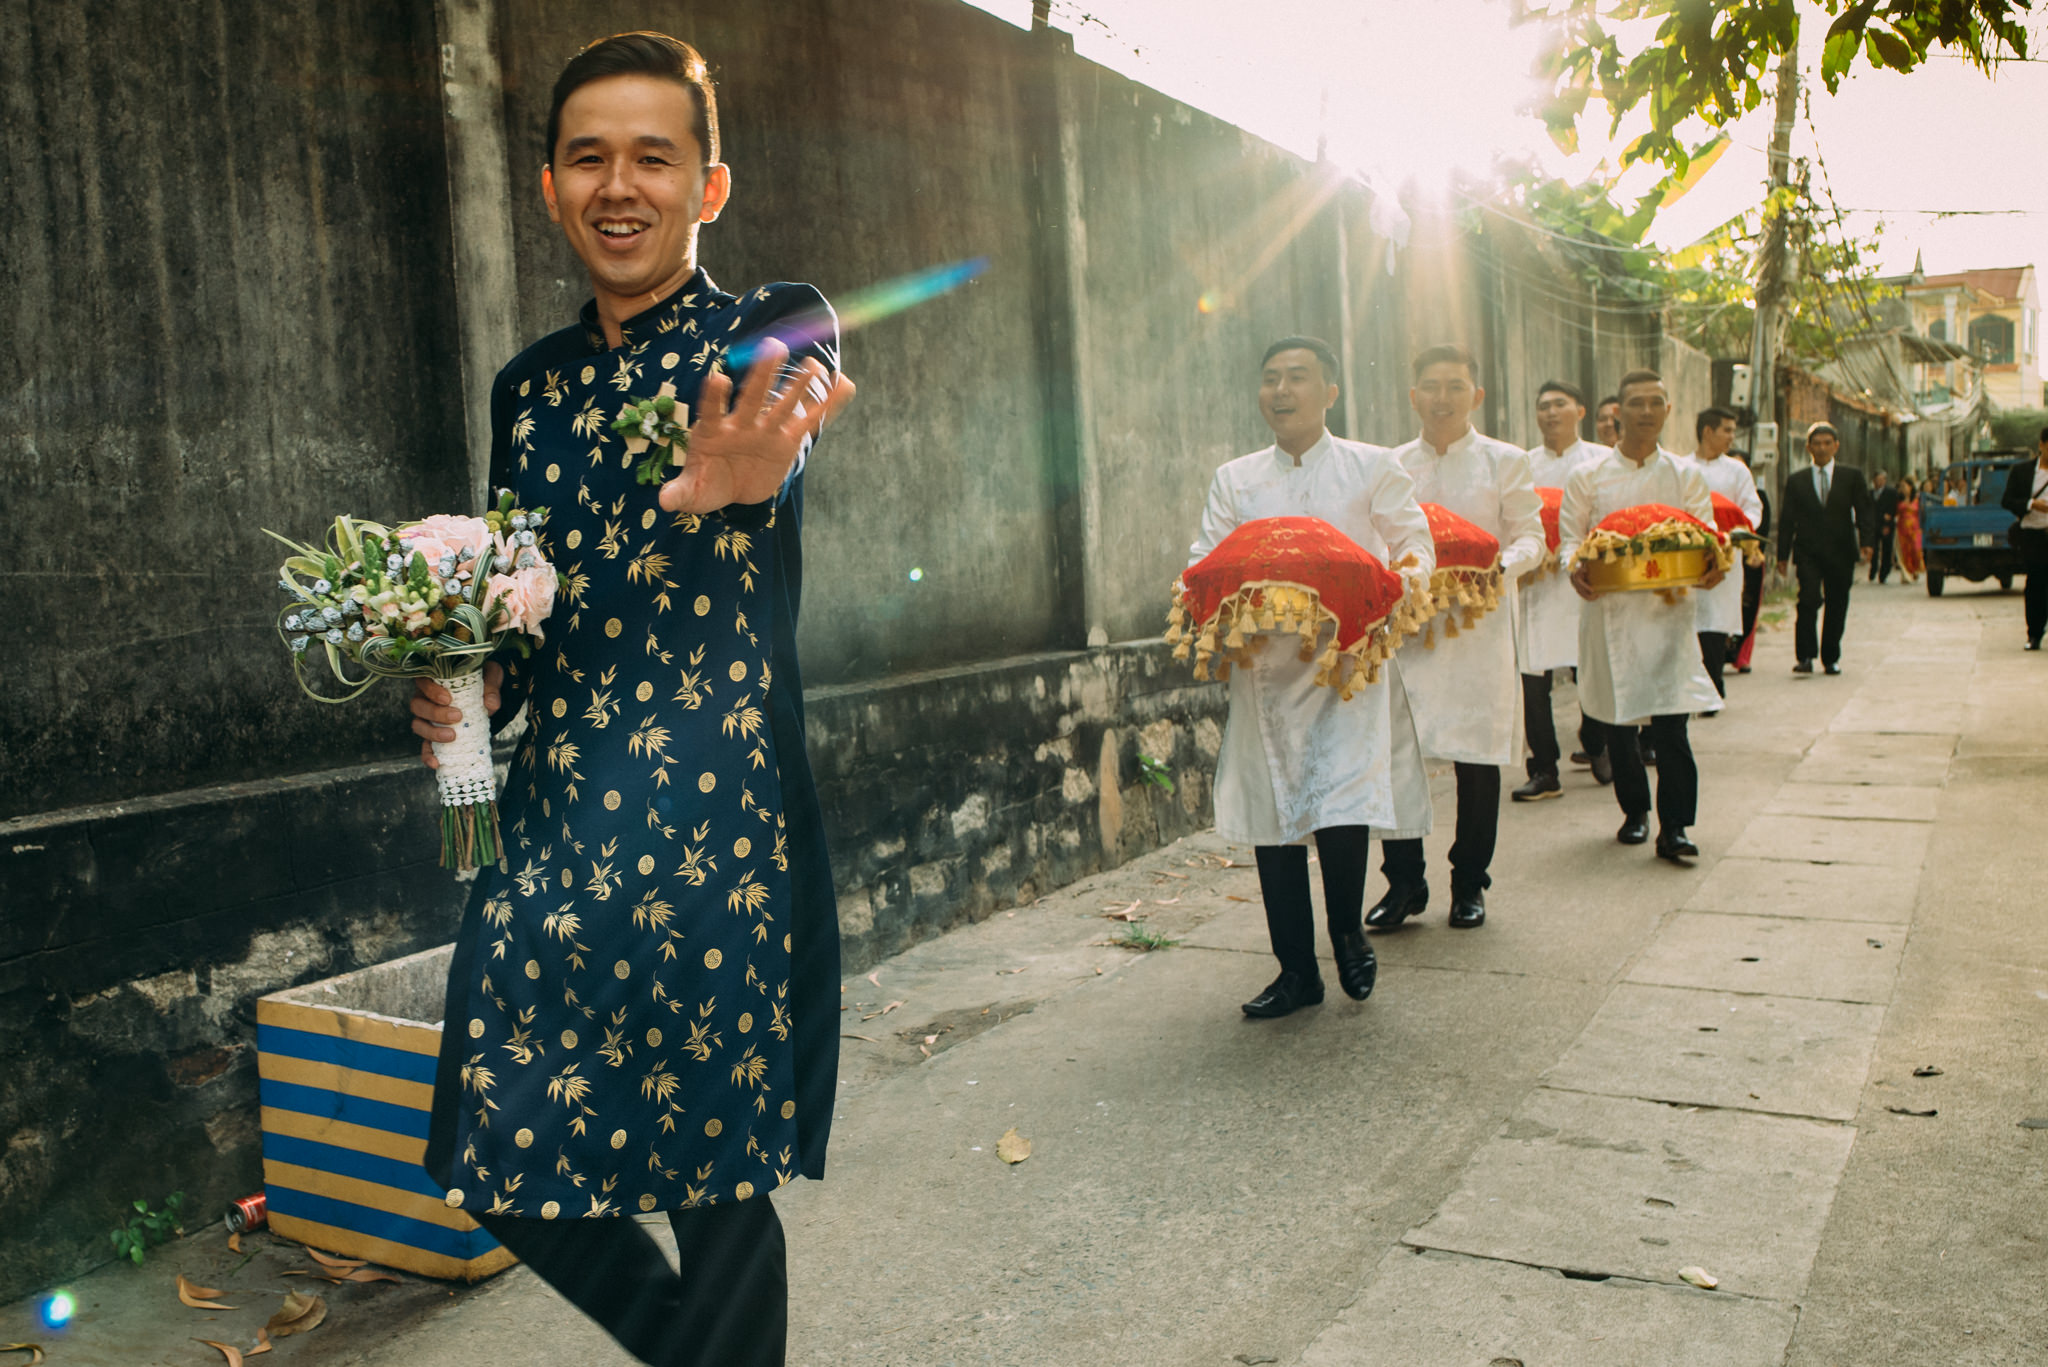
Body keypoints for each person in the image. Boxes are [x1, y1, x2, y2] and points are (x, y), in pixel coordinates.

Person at [407, 34, 855, 1367]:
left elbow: (801, 370)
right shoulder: (526, 388)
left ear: (706, 187)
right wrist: (472, 678)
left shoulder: (755, 335)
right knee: (489, 1145)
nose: (620, 184)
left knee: (713, 1182)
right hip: (550, 821)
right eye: (589, 157)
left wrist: (755, 468)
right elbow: (525, 599)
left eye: (653, 156)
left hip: (723, 823)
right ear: (548, 187)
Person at [1190, 336, 1435, 1017]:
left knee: (1341, 798)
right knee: (1272, 815)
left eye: (1298, 377)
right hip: (1263, 665)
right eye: (1270, 378)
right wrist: (1199, 603)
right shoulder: (1235, 479)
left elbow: (1414, 543)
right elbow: (1204, 558)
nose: (1282, 390)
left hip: (1345, 663)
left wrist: (1398, 587)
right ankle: (1297, 970)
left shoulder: (1372, 467)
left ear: (1330, 391)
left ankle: (1347, 930)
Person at [1366, 345, 1542, 933]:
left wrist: (1497, 570)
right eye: (1432, 387)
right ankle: (1405, 884)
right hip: (1410, 631)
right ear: (1413, 396)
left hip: (1476, 628)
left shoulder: (1505, 461)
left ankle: (1470, 882)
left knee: (1477, 758)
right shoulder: (1387, 464)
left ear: (1477, 396)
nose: (1443, 398)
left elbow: (1530, 538)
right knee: (1398, 757)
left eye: (1456, 387)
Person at [1561, 370, 1723, 864]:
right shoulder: (1588, 476)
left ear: (1668, 410)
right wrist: (1575, 568)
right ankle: (1635, 811)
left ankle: (1674, 825)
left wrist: (1713, 563)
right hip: (1609, 612)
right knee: (1618, 722)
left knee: (1672, 725)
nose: (1646, 412)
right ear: (1617, 412)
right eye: (1636, 403)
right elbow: (1571, 539)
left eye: (1656, 402)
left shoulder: (1684, 476)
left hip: (1668, 612)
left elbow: (1708, 533)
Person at [1514, 380, 1610, 800]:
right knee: (1533, 679)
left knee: (1587, 667)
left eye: (1559, 404)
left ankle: (1599, 742)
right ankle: (1544, 768)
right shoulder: (1521, 465)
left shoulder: (1602, 462)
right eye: (1543, 406)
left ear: (1581, 411)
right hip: (1535, 586)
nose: (1550, 413)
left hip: (1581, 582)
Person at [1775, 422, 1875, 676]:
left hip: (1841, 551)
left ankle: (1830, 657)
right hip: (1808, 551)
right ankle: (1806, 656)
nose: (1821, 448)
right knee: (1808, 600)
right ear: (1808, 447)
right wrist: (1782, 555)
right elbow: (1787, 520)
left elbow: (1864, 510)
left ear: (1836, 446)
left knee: (1837, 603)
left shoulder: (1851, 477)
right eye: (1816, 444)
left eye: (1827, 443)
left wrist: (1867, 542)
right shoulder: (1797, 481)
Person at [1680, 406, 1761, 708]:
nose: (1731, 437)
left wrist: (1735, 532)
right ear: (1707, 431)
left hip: (1724, 557)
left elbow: (1753, 509)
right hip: (1686, 556)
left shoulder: (1737, 471)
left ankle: (1713, 689)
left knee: (1714, 624)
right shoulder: (1681, 467)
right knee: (1687, 623)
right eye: (1726, 430)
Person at [2000, 427, 2048, 649]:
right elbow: (2007, 500)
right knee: (2035, 584)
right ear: (2041, 445)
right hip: (2033, 536)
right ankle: (2035, 633)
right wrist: (2031, 504)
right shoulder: (2022, 472)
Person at [1731, 449, 1770, 673]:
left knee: (1747, 606)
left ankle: (1742, 655)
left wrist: (1754, 553)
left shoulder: (1758, 497)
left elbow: (1761, 529)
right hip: (1723, 556)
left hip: (1749, 558)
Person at [1870, 470, 1902, 582]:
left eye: (1881, 480)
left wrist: (1889, 520)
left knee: (1886, 549)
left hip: (1886, 524)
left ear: (1885, 480)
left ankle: (1884, 572)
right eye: (1876, 480)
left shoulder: (1891, 492)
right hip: (1873, 525)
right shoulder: (1870, 493)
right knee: (1873, 548)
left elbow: (1895, 508)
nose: (1878, 482)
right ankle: (1873, 569)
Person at [1896, 475, 1924, 584]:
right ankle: (1906, 574)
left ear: (1910, 487)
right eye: (1901, 486)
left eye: (1904, 486)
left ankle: (1915, 570)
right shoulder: (1898, 498)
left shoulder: (1917, 499)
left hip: (1915, 528)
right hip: (1902, 528)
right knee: (1904, 551)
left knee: (1916, 550)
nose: (1902, 488)